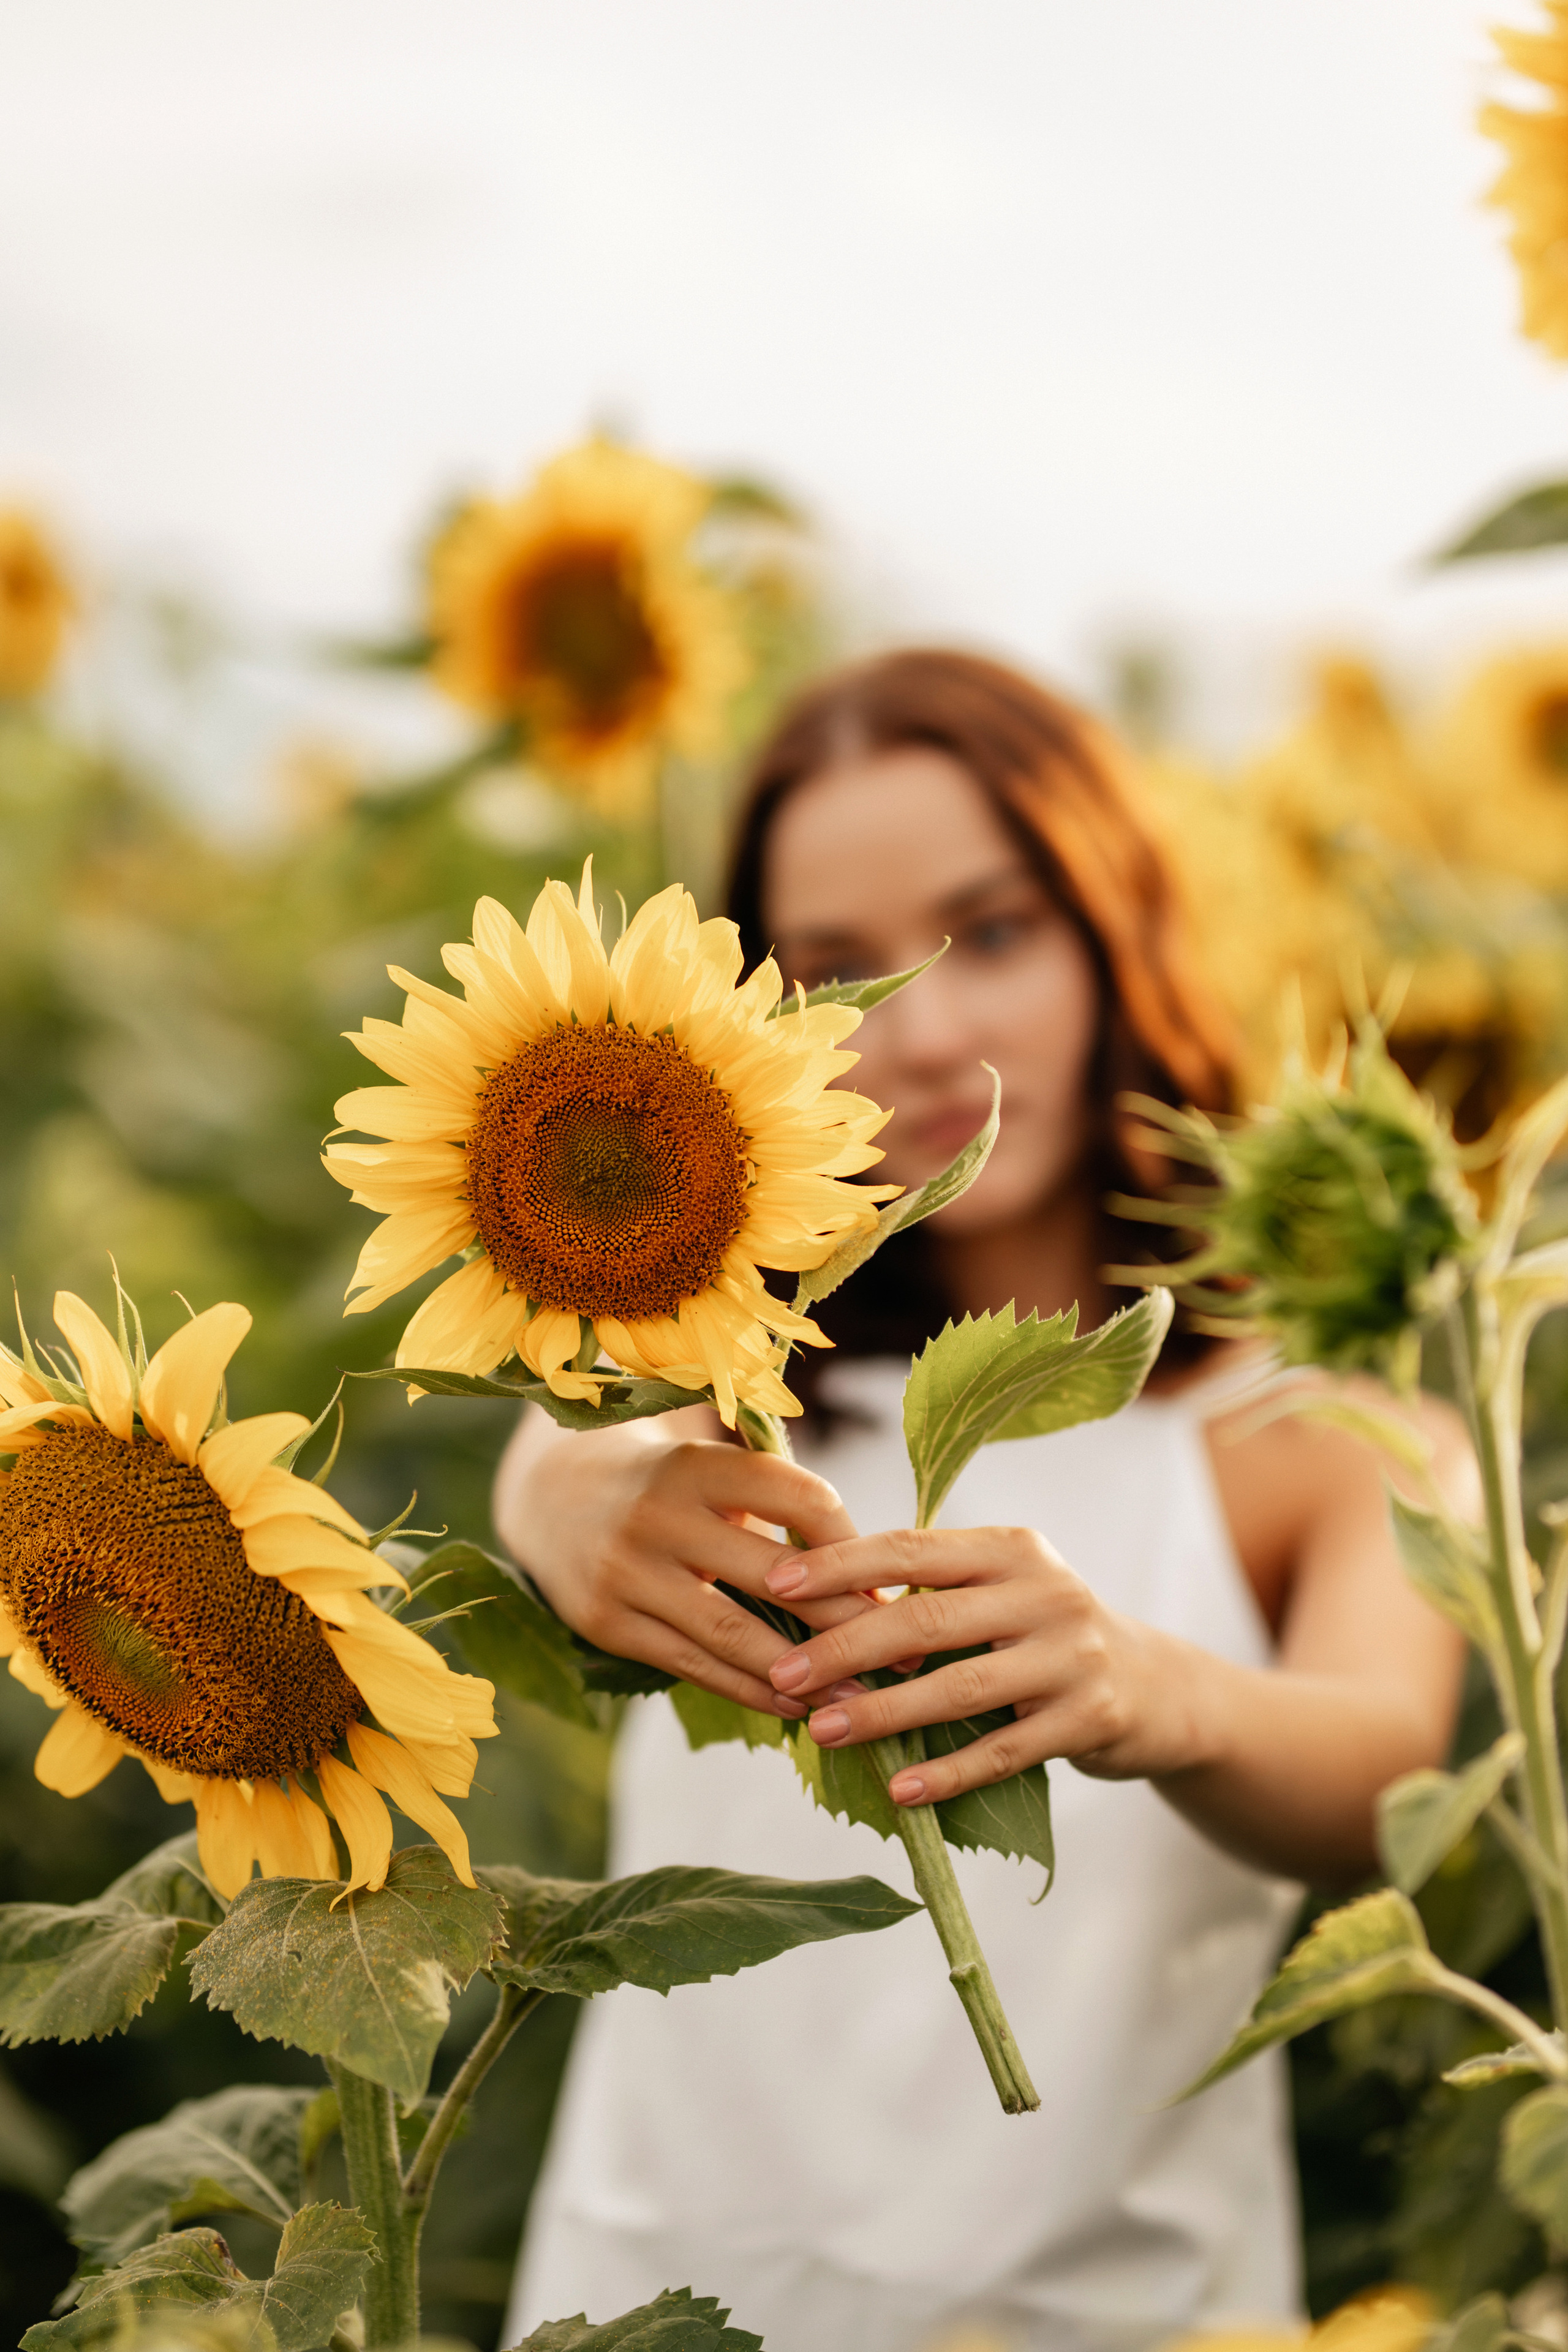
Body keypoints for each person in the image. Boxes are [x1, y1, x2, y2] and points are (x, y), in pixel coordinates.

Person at [494, 650, 1473, 2352]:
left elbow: (1385, 1784)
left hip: (1110, 2313)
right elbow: (572, 1442)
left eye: (994, 934)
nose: (926, 1032)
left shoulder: (1316, 1433)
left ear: (1116, 931)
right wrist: (557, 1486)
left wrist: (1152, 1688)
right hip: (654, 2291)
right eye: (837, 973)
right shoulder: (722, 1376)